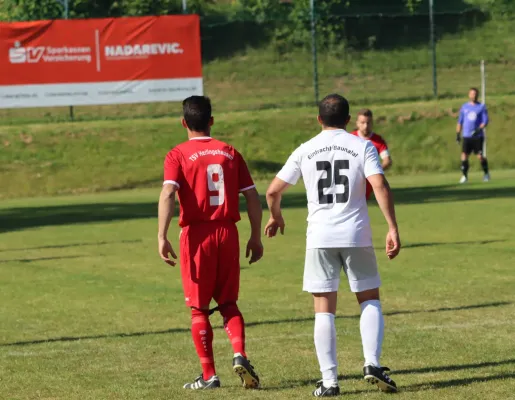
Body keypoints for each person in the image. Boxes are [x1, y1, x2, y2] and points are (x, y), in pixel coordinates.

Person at [264, 94, 401, 397]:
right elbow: (379, 184)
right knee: (369, 299)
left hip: (320, 238)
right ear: (349, 120)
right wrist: (392, 227)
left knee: (324, 310)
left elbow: (273, 191)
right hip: (356, 234)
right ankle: (372, 364)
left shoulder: (306, 149)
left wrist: (276, 218)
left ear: (319, 120)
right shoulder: (362, 145)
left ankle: (329, 382)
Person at [157, 96, 263, 390]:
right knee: (228, 302)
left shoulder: (177, 154)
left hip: (198, 235)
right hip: (228, 232)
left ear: (183, 123)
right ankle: (240, 354)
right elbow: (252, 196)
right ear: (211, 121)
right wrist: (255, 235)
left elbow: (168, 194)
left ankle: (208, 375)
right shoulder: (230, 152)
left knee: (199, 309)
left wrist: (162, 235)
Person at [350, 109, 392, 200]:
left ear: (372, 123)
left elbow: (387, 161)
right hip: (351, 181)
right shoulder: (350, 138)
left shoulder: (378, 140)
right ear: (357, 123)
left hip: (369, 183)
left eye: (368, 123)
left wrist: (373, 171)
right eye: (362, 122)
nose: (365, 126)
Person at [456, 87, 490, 183]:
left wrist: (479, 129)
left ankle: (486, 173)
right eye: (472, 94)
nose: (473, 96)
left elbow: (485, 121)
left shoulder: (481, 107)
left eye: (475, 94)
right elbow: (460, 122)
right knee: (464, 155)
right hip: (466, 136)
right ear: (469, 95)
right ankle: (464, 176)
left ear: (477, 95)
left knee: (480, 156)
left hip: (477, 136)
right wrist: (458, 134)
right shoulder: (464, 107)